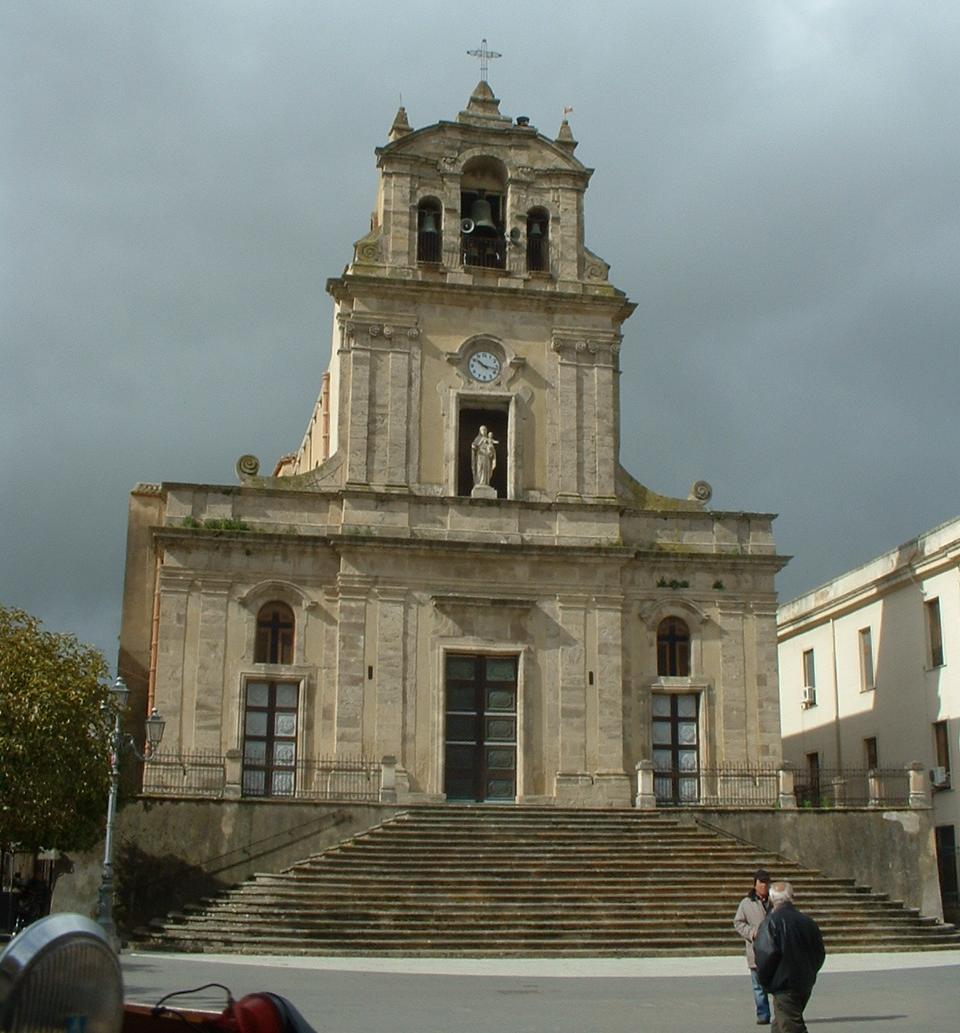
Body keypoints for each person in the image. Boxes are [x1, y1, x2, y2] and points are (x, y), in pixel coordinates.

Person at [754, 880, 826, 1033]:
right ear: (792, 897)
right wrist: (809, 972)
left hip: (784, 985)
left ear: (772, 899)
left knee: (791, 1026)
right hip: (803, 983)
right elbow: (819, 953)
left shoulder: (771, 922)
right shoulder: (807, 922)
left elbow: (765, 955)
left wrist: (765, 981)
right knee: (780, 1024)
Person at [734, 867, 772, 1025]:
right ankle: (763, 1014)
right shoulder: (746, 903)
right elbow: (738, 922)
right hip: (756, 951)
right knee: (758, 986)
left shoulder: (775, 901)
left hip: (774, 951)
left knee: (777, 984)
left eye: (766, 883)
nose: (764, 886)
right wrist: (752, 933)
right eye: (761, 883)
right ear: (755, 885)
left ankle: (782, 1013)